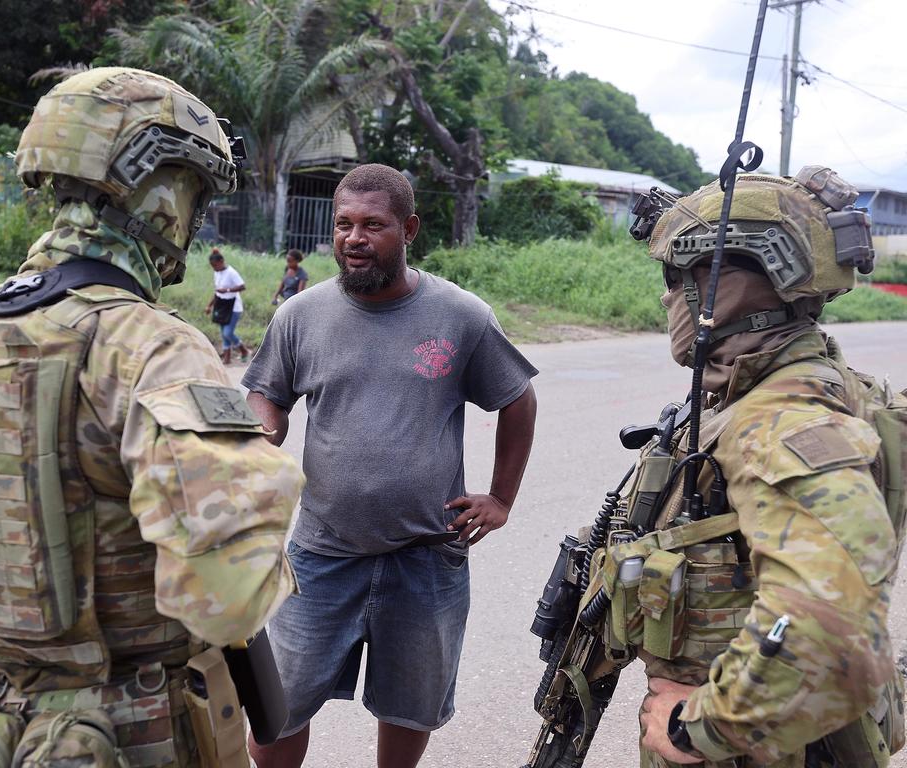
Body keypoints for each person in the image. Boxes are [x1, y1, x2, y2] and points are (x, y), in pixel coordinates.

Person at [0, 67, 303, 767]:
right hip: (131, 727)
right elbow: (229, 596)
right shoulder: (152, 349)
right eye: (195, 196)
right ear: (164, 191)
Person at [595, 166, 904, 767]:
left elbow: (829, 621)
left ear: (730, 286)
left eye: (676, 277)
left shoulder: (781, 421)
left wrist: (696, 728)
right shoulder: (835, 390)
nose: (666, 297)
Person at [241, 163, 539, 768]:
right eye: (343, 224)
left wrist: (501, 498)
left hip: (426, 557)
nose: (354, 238)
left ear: (409, 229)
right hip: (320, 556)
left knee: (410, 708)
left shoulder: (461, 316)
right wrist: (264, 435)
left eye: (373, 225)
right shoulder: (301, 315)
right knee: (277, 708)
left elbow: (518, 399)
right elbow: (266, 392)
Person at [206, 247, 251, 363]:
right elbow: (217, 291)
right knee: (223, 333)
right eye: (212, 266)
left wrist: (227, 290)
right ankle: (227, 358)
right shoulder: (217, 273)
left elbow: (242, 286)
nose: (214, 268)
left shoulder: (231, 272)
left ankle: (244, 350)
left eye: (215, 265)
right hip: (221, 305)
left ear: (221, 262)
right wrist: (210, 305)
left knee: (228, 333)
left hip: (234, 307)